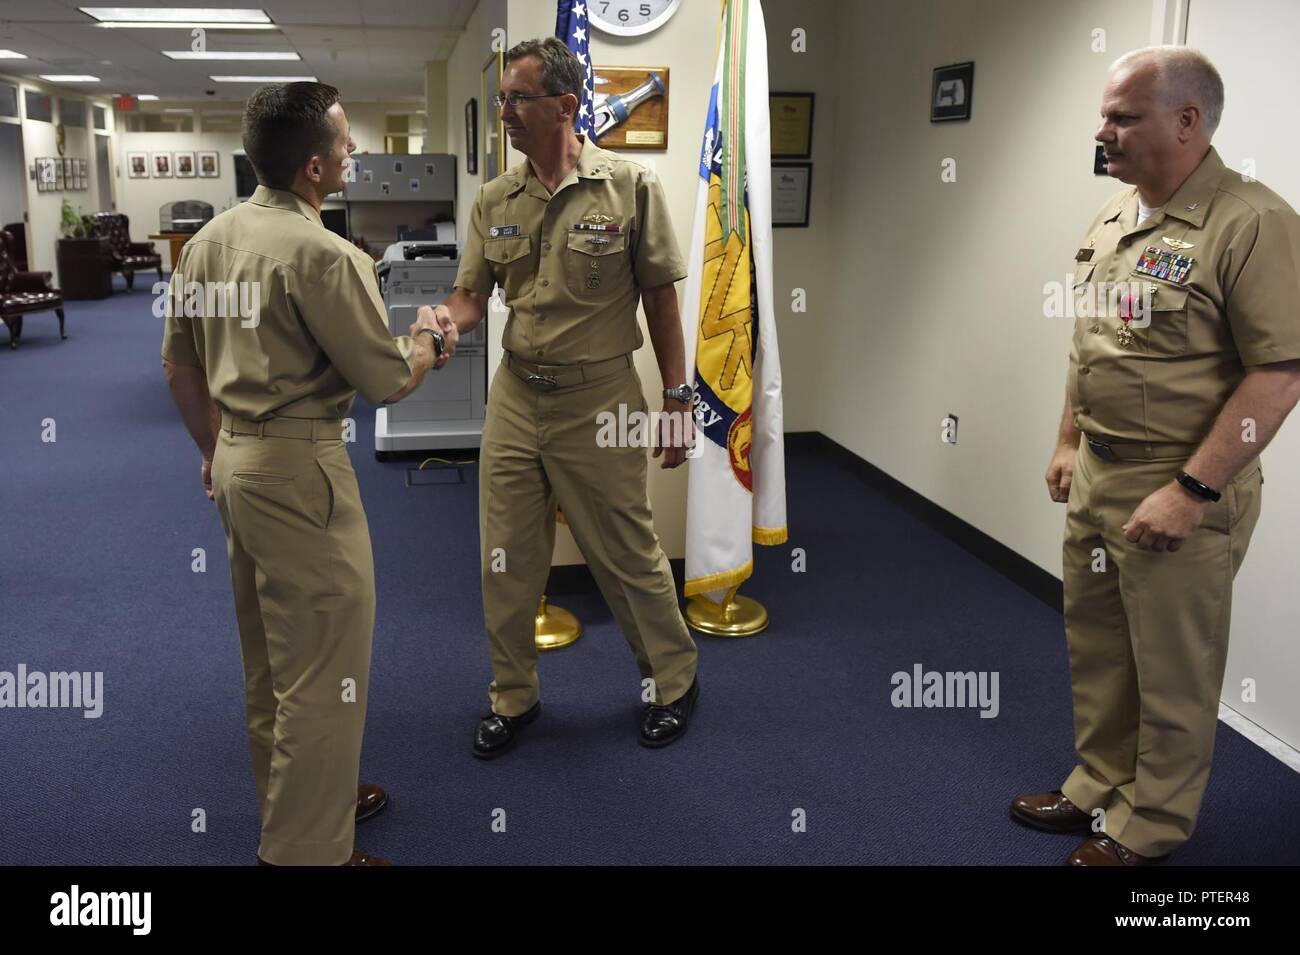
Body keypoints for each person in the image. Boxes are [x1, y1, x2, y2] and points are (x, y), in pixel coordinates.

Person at [1014, 46, 1300, 865]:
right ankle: (1097, 780)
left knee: (1173, 666)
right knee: (1098, 642)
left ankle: (1152, 822)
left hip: (1179, 480)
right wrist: (1069, 440)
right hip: (1101, 472)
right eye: (1105, 114)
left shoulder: (1254, 224)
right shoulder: (1114, 215)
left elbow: (1278, 374)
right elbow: (1092, 344)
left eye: (1121, 116)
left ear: (1187, 121)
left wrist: (1192, 488)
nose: (1102, 131)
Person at [161, 81, 457, 866]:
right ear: (318, 168)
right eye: (348, 143)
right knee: (324, 671)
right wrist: (429, 337)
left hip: (235, 461)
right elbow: (389, 379)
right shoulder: (326, 255)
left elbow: (181, 370)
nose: (355, 153)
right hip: (301, 469)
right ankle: (305, 852)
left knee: (271, 660)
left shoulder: (208, 243)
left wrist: (211, 453)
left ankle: (301, 802)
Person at [430, 37, 699, 758]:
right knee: (507, 555)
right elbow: (468, 297)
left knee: (624, 550)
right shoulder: (495, 198)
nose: (505, 113)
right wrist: (440, 322)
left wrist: (679, 399)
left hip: (601, 399)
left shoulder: (630, 188)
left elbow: (661, 302)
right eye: (503, 100)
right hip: (517, 396)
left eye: (517, 98)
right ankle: (512, 696)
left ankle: (671, 680)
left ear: (565, 105)